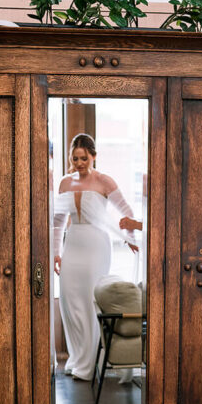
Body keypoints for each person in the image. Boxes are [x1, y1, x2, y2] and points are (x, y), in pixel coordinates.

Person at [52, 133, 141, 381]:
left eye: (84, 158)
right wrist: (56, 253)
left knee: (91, 299)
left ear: (93, 156)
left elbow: (126, 211)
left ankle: (92, 362)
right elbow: (58, 222)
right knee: (71, 301)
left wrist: (130, 236)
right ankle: (78, 358)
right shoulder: (64, 184)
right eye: (75, 158)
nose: (79, 163)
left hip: (96, 245)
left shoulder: (104, 181)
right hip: (73, 244)